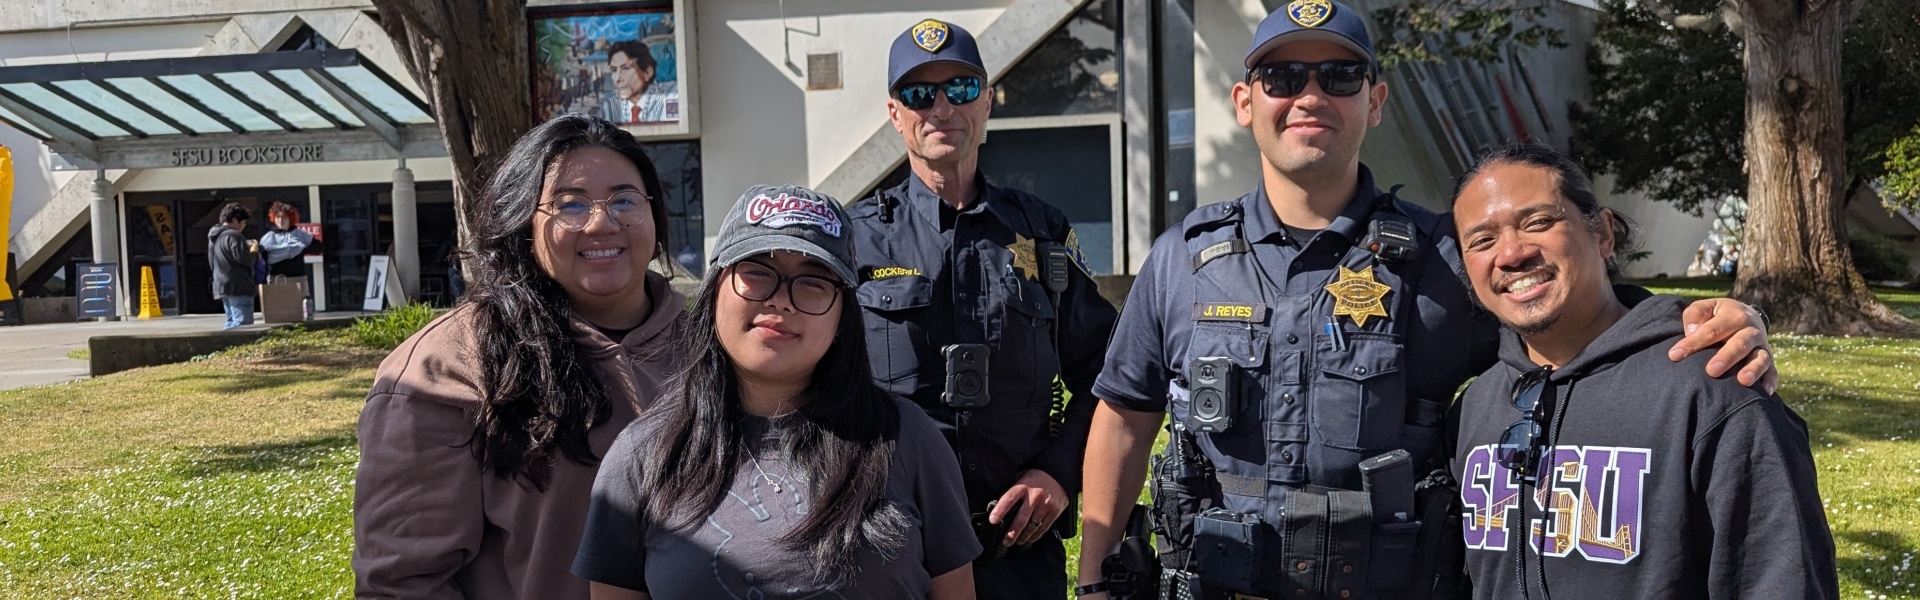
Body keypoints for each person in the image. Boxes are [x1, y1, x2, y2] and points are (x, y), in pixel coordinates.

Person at [1073, 3, 1779, 599]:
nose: (1311, 95)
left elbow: (1569, 336)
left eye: (1341, 75)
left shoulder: (1446, 258)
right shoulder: (1182, 259)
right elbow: (1125, 415)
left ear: (1374, 102)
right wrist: (1096, 577)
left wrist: (1696, 323)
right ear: (1246, 101)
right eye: (1284, 76)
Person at [1449, 143, 1836, 599]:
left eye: (1538, 222)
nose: (1511, 254)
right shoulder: (1473, 408)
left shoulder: (1714, 388)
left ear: (1604, 234)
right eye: (1482, 240)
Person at [574, 185, 979, 599]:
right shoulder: (643, 454)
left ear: (843, 317)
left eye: (814, 282)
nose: (782, 302)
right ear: (715, 289)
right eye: (756, 271)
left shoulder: (906, 437)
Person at [353, 115, 685, 600]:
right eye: (569, 204)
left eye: (624, 200)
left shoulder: (711, 347)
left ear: (654, 219)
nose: (601, 222)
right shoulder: (443, 371)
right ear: (522, 224)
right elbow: (402, 584)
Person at [844, 18, 1120, 600]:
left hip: (1014, 550)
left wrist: (1058, 472)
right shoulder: (856, 242)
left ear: (987, 102)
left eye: (961, 89)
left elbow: (1108, 368)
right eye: (921, 94)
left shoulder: (1041, 229)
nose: (942, 108)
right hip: (886, 550)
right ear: (896, 114)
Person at [596, 40, 679, 124]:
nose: (617, 79)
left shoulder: (670, 95)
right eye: (614, 70)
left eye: (625, 68)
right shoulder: (609, 107)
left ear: (647, 73)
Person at [207, 202, 257, 330]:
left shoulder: (214, 236)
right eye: (243, 222)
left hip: (222, 284)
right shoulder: (234, 235)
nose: (244, 226)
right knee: (242, 325)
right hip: (239, 286)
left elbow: (212, 261)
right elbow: (244, 259)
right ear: (235, 220)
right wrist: (254, 250)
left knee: (230, 323)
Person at [258, 202, 314, 280]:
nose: (280, 220)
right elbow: (262, 261)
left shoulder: (300, 234)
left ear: (290, 218)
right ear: (273, 218)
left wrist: (303, 249)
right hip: (276, 279)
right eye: (277, 217)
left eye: (284, 217)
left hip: (298, 278)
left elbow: (318, 248)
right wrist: (294, 249)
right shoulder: (268, 237)